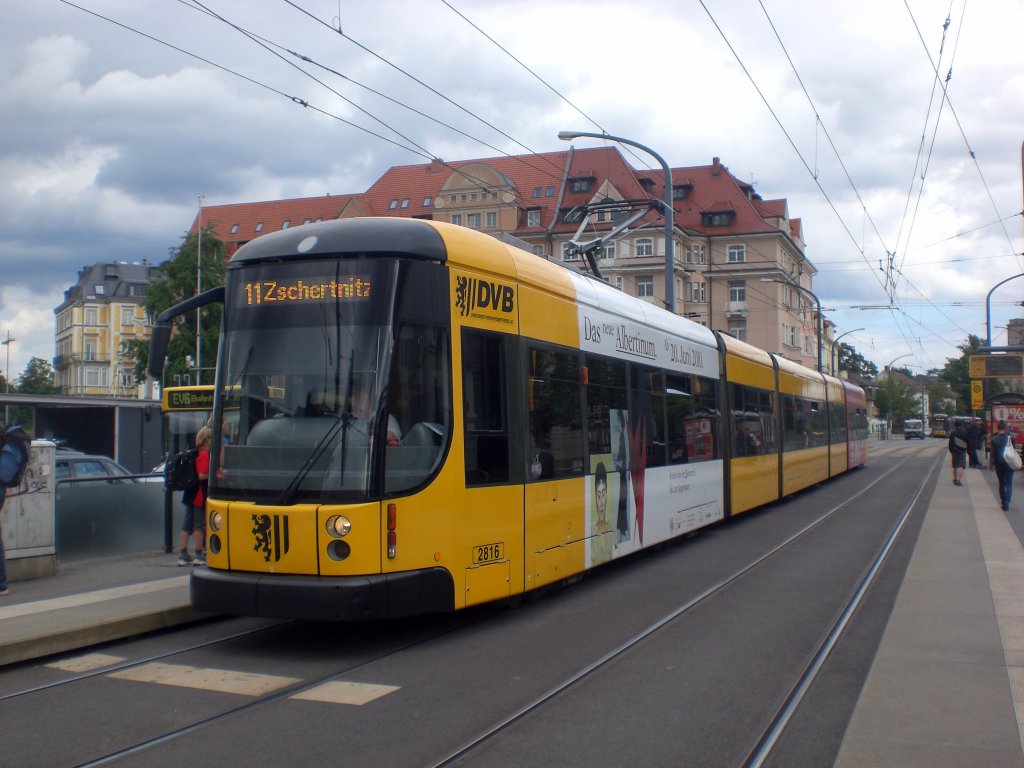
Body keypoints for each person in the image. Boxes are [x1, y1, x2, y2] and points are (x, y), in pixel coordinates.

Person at [177, 425, 212, 566]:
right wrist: (215, 474)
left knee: (187, 524)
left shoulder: (194, 453)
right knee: (199, 525)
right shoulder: (204, 454)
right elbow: (202, 475)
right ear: (207, 440)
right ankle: (198, 554)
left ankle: (183, 554)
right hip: (199, 494)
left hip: (190, 492)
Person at [990, 420, 1016, 511]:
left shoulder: (994, 439)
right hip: (1009, 463)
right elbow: (1014, 450)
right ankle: (1007, 501)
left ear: (998, 428)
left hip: (999, 464)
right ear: (1005, 428)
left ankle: (1003, 501)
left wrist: (991, 465)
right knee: (1009, 483)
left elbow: (992, 454)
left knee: (1001, 483)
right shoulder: (1010, 437)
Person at [591, 462, 612, 564]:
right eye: (598, 496)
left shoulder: (612, 527)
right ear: (595, 497)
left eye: (603, 495)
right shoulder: (591, 530)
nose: (601, 503)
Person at [948, 421, 969, 486]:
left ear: (955, 426)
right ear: (961, 426)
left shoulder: (953, 433)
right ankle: (959, 480)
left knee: (955, 466)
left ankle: (955, 479)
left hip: (954, 452)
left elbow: (950, 443)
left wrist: (951, 451)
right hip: (962, 451)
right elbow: (968, 442)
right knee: (961, 466)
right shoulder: (964, 433)